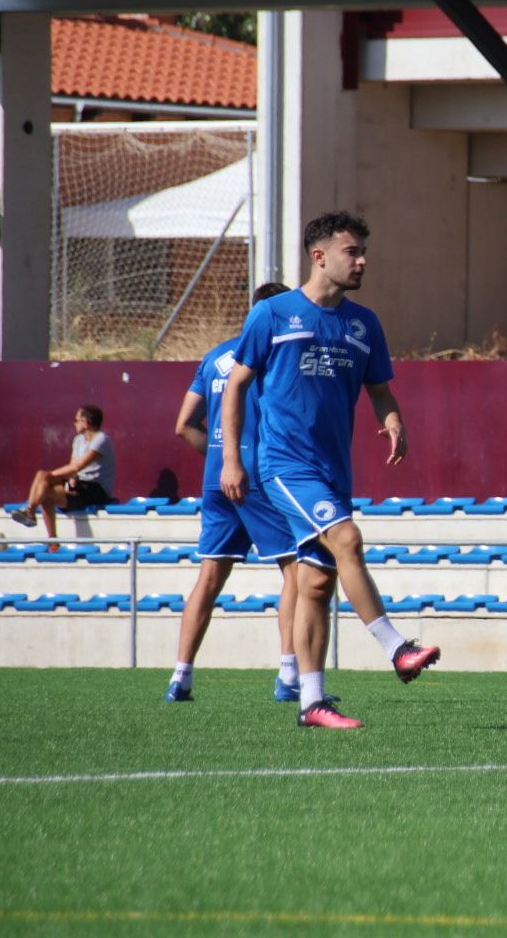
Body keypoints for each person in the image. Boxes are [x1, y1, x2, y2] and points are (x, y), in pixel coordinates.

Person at [221, 211, 438, 731]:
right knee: (348, 539)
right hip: (284, 464)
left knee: (317, 585)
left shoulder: (365, 324)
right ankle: (396, 648)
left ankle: (312, 703)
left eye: (364, 252)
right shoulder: (271, 314)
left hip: (334, 470)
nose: (362, 261)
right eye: (352, 251)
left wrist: (394, 422)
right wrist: (232, 458)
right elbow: (235, 386)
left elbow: (379, 388)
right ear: (319, 256)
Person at [164, 281, 324, 705]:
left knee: (210, 576)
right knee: (297, 570)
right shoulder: (275, 351)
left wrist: (219, 459)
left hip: (217, 476)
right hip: (257, 473)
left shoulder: (216, 355)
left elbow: (184, 424)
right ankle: (289, 675)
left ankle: (180, 677)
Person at [9, 405, 115, 549]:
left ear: (86, 423)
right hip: (80, 484)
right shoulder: (78, 440)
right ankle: (31, 512)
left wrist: (51, 475)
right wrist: (70, 482)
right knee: (41, 475)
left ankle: (42, 527)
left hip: (96, 489)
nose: (74, 423)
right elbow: (73, 467)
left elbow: (78, 466)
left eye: (76, 420)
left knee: (46, 487)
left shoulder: (101, 440)